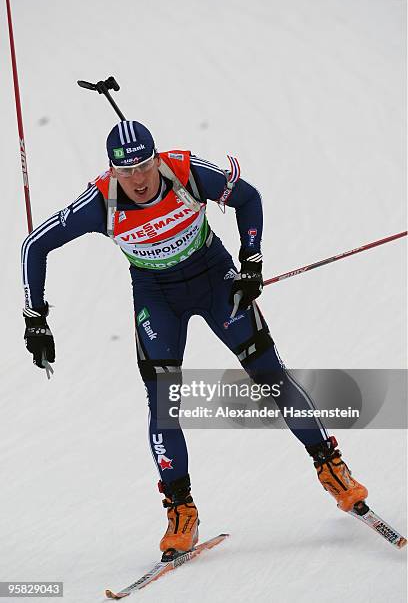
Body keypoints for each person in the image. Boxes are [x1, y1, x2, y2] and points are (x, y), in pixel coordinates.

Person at [21, 120, 367, 558]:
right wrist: (36, 319)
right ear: (111, 171)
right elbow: (34, 245)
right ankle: (181, 511)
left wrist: (252, 261)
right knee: (164, 403)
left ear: (156, 157)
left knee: (270, 376)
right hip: (156, 297)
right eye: (126, 171)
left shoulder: (184, 172)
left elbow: (248, 197)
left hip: (214, 278)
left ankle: (331, 465)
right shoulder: (101, 201)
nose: (139, 179)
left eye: (145, 165)